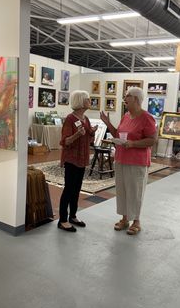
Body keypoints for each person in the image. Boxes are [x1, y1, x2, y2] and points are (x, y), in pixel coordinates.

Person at [100, 87, 157, 235]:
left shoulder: (147, 117)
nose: (124, 99)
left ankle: (136, 221)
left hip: (137, 161)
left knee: (135, 191)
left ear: (136, 99)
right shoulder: (126, 116)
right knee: (122, 190)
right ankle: (124, 219)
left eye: (127, 96)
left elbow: (152, 140)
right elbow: (117, 134)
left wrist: (133, 144)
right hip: (121, 158)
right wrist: (107, 123)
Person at [58, 90, 98, 232]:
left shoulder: (85, 119)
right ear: (81, 102)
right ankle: (62, 220)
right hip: (71, 159)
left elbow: (87, 139)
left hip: (81, 158)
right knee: (69, 188)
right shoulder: (70, 119)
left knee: (76, 188)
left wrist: (91, 132)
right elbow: (64, 141)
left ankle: (73, 216)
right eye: (87, 99)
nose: (90, 101)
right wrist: (76, 135)